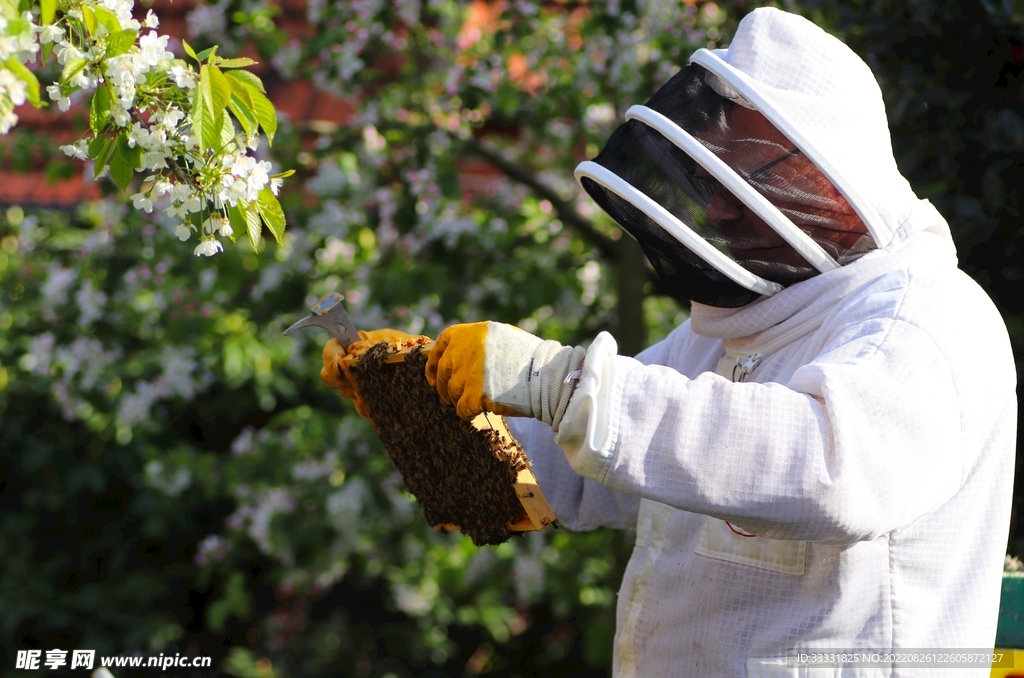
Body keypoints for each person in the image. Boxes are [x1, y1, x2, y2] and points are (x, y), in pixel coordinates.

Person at [321, 7, 1016, 677]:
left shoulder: (926, 317)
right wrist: (426, 411)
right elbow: (577, 472)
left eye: (746, 176)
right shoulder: (737, 332)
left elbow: (829, 468)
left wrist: (552, 378)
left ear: (826, 172)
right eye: (713, 176)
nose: (717, 208)